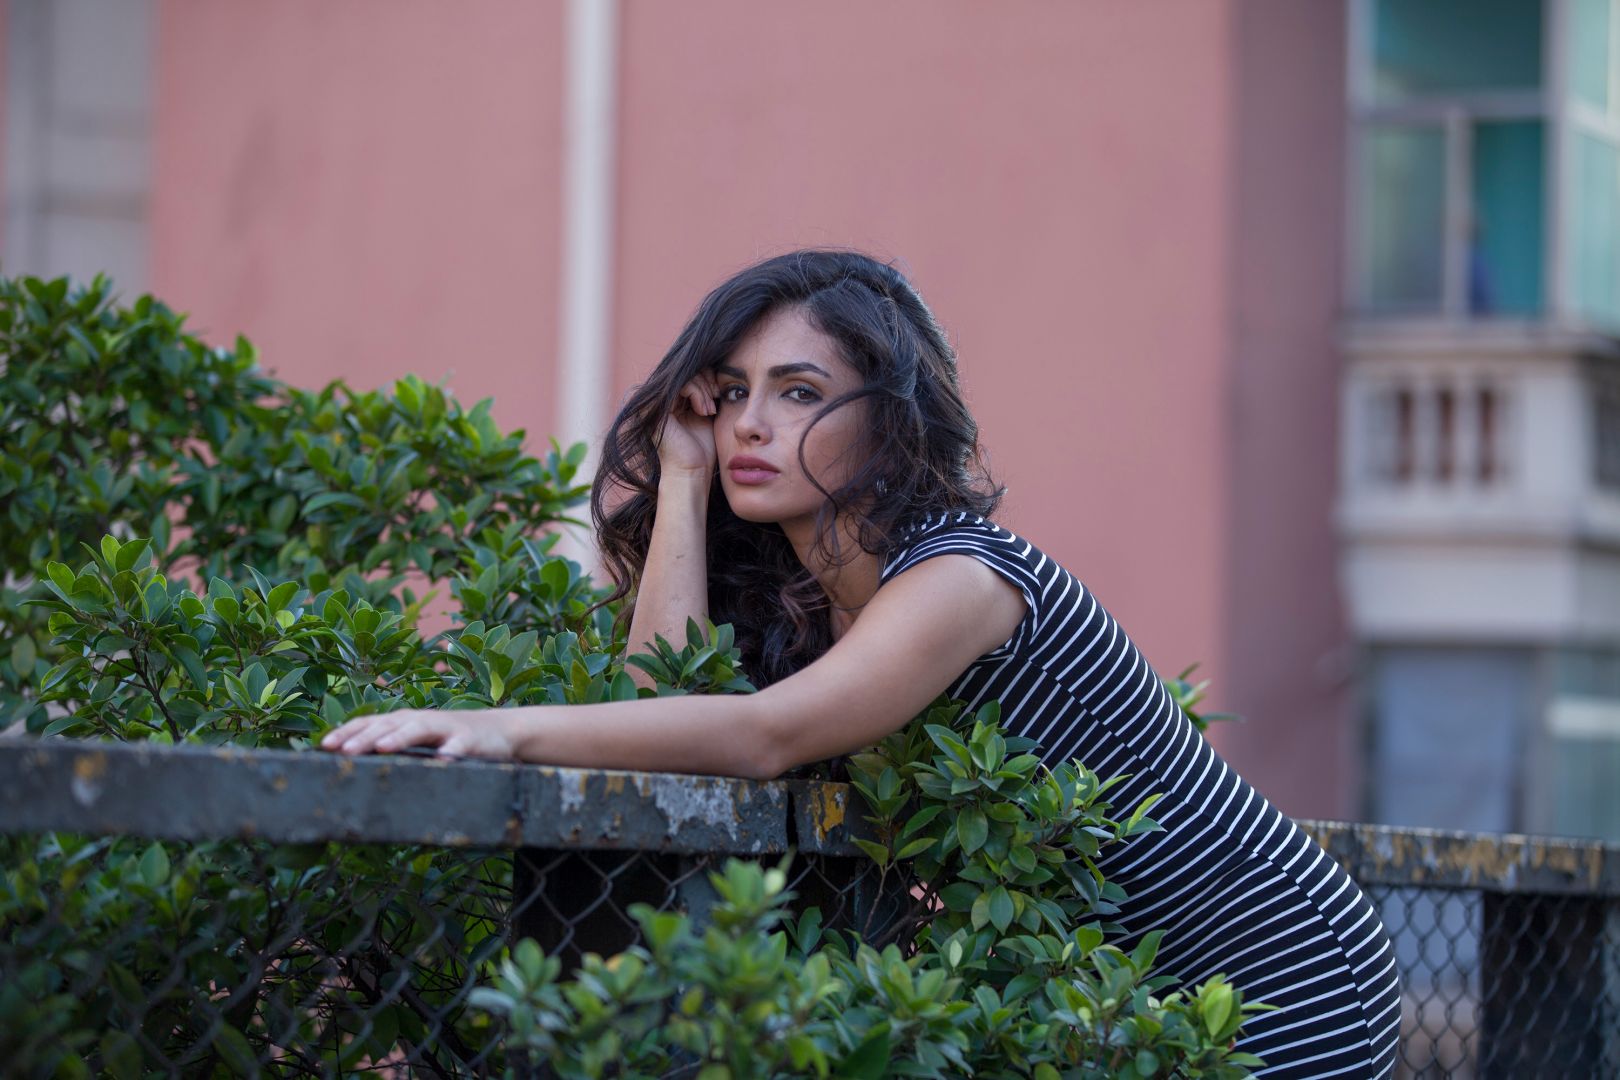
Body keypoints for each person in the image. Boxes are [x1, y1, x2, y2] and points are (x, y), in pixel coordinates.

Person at [321, 249, 1401, 1076]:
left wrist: (497, 728)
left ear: (888, 420)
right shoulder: (815, 604)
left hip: (1276, 963)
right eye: (729, 391)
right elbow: (663, 705)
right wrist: (684, 482)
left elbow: (764, 736)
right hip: (1119, 987)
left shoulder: (963, 578)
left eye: (798, 392)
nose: (750, 424)